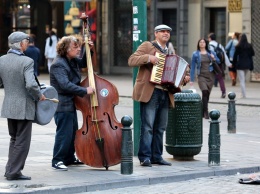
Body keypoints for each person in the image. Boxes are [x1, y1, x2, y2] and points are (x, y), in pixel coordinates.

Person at [128, 24, 190, 167]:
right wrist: (148, 58)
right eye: (162, 31)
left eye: (168, 31)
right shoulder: (147, 46)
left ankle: (157, 156)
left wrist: (184, 79)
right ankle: (145, 157)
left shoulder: (170, 51)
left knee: (161, 127)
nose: (166, 33)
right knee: (148, 126)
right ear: (156, 34)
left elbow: (173, 75)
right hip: (151, 91)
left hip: (165, 93)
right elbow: (132, 60)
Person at [0, 31, 45, 180]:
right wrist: (40, 95)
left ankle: (10, 170)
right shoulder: (27, 61)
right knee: (22, 141)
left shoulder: (2, 60)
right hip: (24, 106)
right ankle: (13, 172)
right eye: (26, 41)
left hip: (9, 104)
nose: (27, 43)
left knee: (14, 139)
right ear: (20, 44)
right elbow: (31, 85)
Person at [50, 35, 95, 171]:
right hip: (62, 104)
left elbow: (84, 63)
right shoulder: (58, 64)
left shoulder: (71, 60)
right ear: (65, 49)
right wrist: (84, 90)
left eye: (78, 47)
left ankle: (69, 158)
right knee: (64, 133)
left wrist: (89, 50)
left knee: (72, 132)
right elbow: (65, 85)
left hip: (70, 103)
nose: (78, 50)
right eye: (75, 47)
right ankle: (57, 160)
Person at [190, 38, 220, 119]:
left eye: (203, 42)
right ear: (198, 44)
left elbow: (218, 61)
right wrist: (191, 80)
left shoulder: (211, 52)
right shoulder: (195, 54)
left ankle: (202, 110)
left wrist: (213, 58)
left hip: (211, 76)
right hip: (201, 76)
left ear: (206, 44)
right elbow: (193, 67)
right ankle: (206, 111)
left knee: (207, 94)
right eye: (200, 42)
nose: (202, 43)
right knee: (205, 91)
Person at [208, 33, 231, 98]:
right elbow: (224, 55)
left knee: (209, 78)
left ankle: (207, 92)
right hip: (219, 64)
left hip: (211, 64)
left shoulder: (209, 45)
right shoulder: (219, 45)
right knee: (220, 78)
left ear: (210, 38)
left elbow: (208, 55)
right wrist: (228, 64)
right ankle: (223, 92)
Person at [233, 33, 255, 98]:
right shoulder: (249, 46)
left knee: (242, 80)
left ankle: (244, 94)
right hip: (247, 65)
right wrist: (251, 65)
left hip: (240, 65)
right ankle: (242, 93)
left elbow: (235, 56)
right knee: (243, 79)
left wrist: (234, 64)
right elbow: (252, 55)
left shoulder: (238, 46)